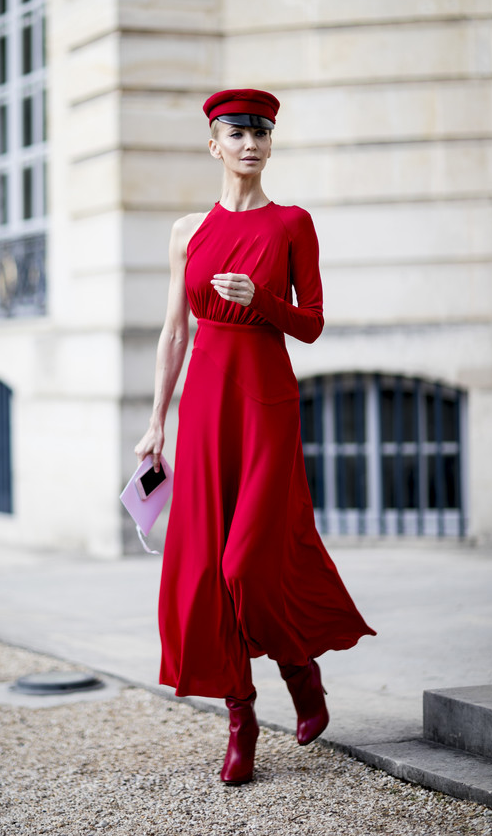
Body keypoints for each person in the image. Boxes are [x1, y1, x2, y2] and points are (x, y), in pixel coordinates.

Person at [135, 88, 376, 785]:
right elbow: (174, 330)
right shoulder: (187, 231)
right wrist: (155, 423)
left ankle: (301, 673)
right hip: (204, 405)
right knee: (208, 569)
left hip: (267, 400)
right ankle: (240, 719)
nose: (251, 142)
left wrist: (262, 302)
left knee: (246, 561)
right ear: (214, 144)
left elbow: (314, 322)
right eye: (237, 132)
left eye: (262, 132)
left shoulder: (293, 223)